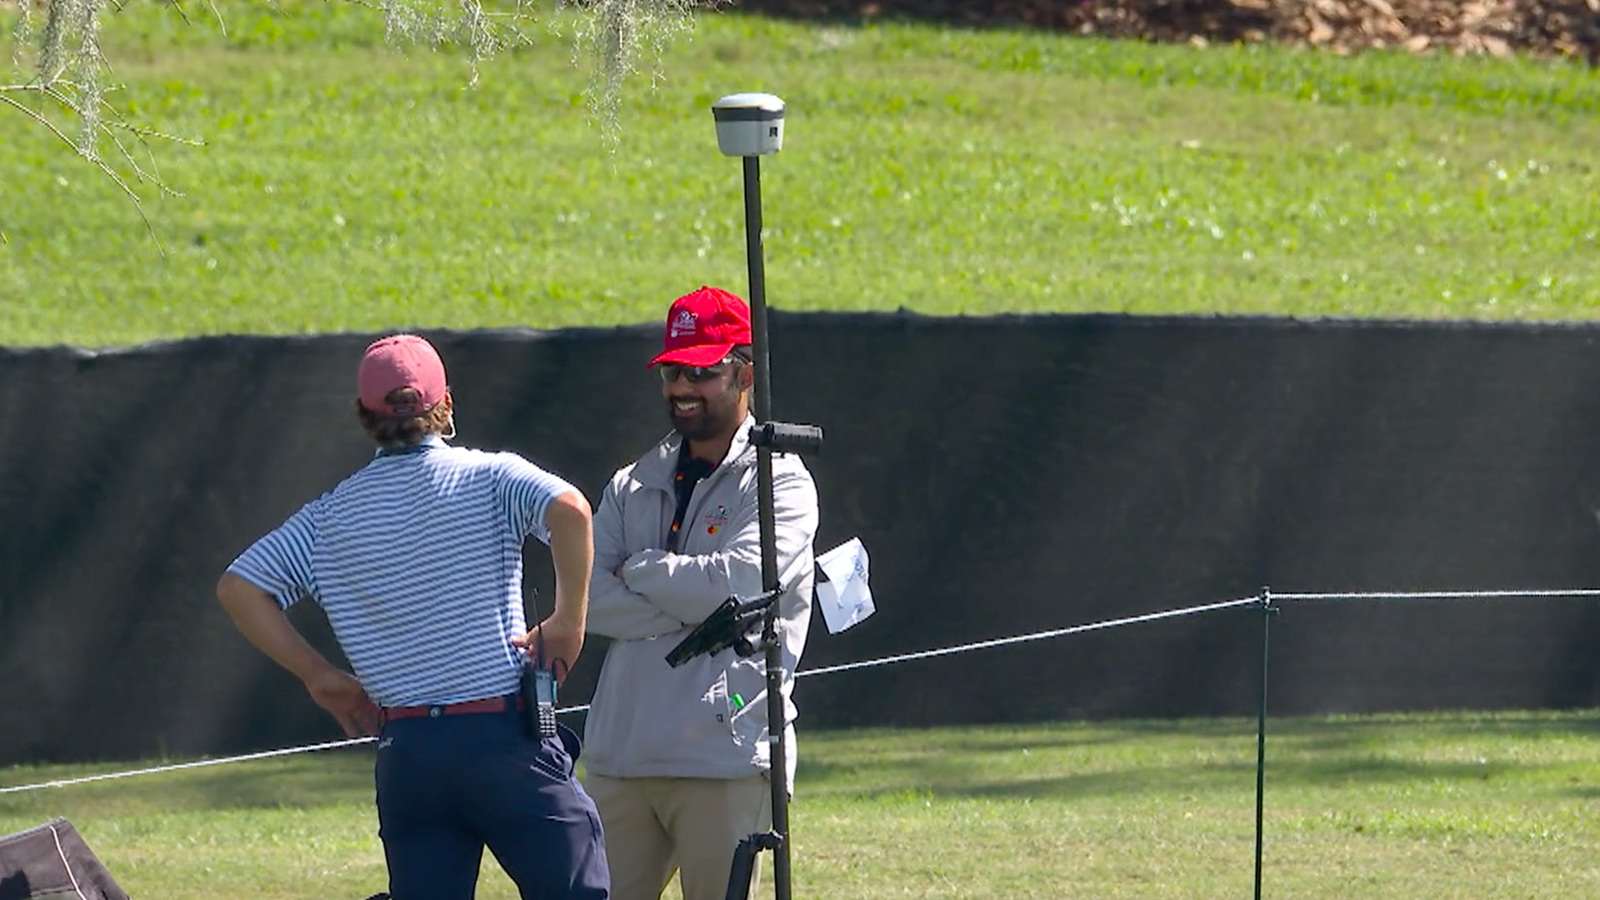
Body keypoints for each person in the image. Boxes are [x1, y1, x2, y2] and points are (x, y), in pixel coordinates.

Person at [215, 334, 609, 900]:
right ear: (445, 403)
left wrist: (319, 676)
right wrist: (569, 621)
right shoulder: (489, 478)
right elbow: (570, 509)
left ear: (364, 414)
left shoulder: (327, 518)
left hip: (408, 753)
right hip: (503, 736)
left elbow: (239, 588)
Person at [582, 286, 819, 900]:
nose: (683, 387)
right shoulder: (630, 483)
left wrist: (642, 569)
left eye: (702, 371)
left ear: (745, 373)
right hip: (621, 755)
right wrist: (693, 603)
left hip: (725, 757)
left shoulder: (781, 482)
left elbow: (737, 586)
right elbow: (589, 600)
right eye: (672, 372)